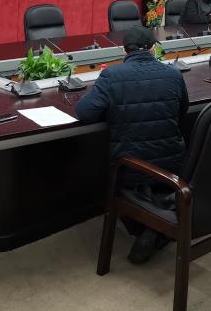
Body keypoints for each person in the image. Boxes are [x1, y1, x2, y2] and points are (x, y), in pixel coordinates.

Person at [75, 26, 188, 265]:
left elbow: (85, 113)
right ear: (154, 49)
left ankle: (150, 227)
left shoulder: (112, 75)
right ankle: (157, 227)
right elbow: (182, 112)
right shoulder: (174, 74)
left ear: (124, 51)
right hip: (174, 167)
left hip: (130, 170)